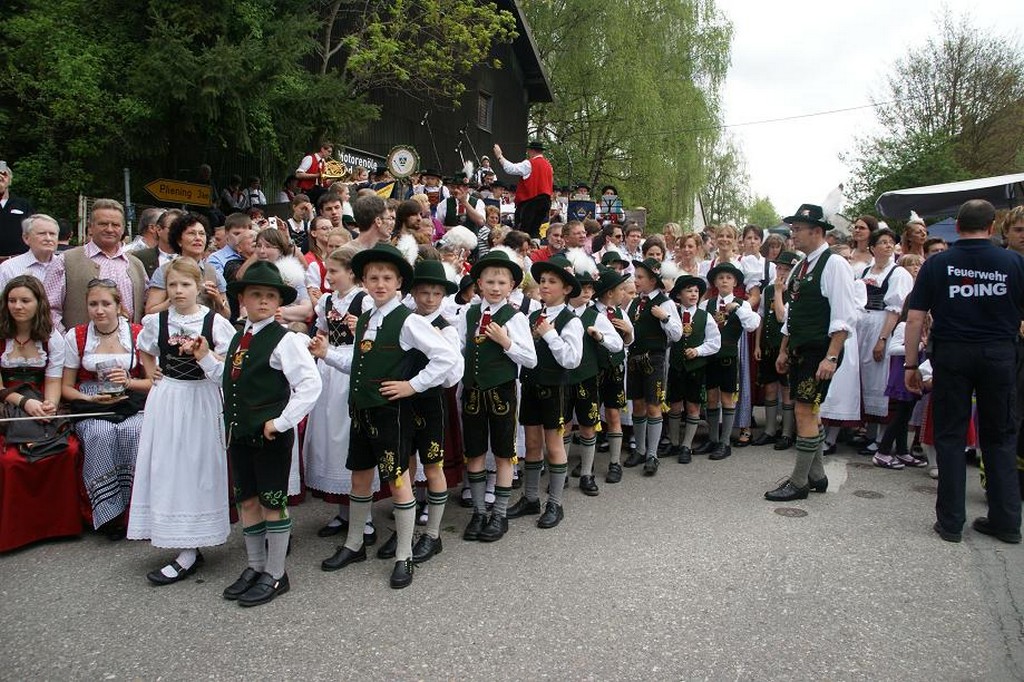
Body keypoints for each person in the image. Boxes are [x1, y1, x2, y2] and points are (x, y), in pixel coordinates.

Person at [319, 244, 459, 589]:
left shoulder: (408, 320)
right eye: (373, 277)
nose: (379, 284)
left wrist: (413, 385)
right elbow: (360, 362)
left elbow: (447, 359)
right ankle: (354, 544)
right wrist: (327, 354)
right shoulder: (367, 316)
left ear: (399, 283)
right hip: (363, 411)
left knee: (399, 483)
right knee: (359, 480)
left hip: (392, 415)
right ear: (363, 280)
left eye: (387, 278)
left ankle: (404, 555)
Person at [905, 199, 1024, 544]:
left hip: (953, 356)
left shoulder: (938, 263)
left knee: (951, 437)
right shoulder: (1014, 263)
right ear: (991, 228)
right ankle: (1006, 522)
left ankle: (952, 522)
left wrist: (911, 365)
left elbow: (915, 317)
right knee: (1000, 438)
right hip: (999, 356)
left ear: (957, 228)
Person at [127, 258, 237, 584]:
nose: (178, 291)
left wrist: (208, 357)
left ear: (199, 286)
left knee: (198, 466)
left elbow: (230, 361)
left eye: (185, 285)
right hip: (168, 397)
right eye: (172, 284)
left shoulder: (214, 322)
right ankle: (180, 541)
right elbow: (144, 348)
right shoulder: (157, 321)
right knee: (169, 465)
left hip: (201, 398)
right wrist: (150, 370)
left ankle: (193, 543)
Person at [765, 204, 857, 502]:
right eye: (792, 229)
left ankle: (799, 481)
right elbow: (792, 313)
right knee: (810, 411)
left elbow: (844, 315)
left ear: (817, 231)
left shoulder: (834, 264)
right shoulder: (802, 265)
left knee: (804, 410)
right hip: (799, 350)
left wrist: (831, 357)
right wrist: (783, 349)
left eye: (797, 229)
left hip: (819, 351)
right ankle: (817, 475)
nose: (793, 234)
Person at [455, 250, 536, 542]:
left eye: (502, 282)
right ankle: (478, 512)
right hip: (473, 391)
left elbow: (530, 360)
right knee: (474, 452)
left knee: (503, 453)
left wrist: (506, 342)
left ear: (512, 285)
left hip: (503, 391)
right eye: (489, 281)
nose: (495, 287)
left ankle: (499, 514)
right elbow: (457, 350)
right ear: (479, 283)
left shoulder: (515, 318)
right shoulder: (468, 314)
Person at [62, 279, 152, 538]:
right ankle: (108, 514)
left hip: (131, 398)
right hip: (90, 398)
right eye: (93, 304)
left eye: (105, 304)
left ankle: (134, 512)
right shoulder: (76, 336)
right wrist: (90, 400)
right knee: (99, 434)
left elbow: (154, 382)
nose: (99, 310)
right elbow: (67, 387)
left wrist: (128, 381)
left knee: (135, 432)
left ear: (118, 306)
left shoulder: (136, 334)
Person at [0, 276, 81, 552]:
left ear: (38, 303)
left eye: (25, 300)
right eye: (12, 300)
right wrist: (24, 403)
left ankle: (57, 526)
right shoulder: (1, 335)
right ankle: (14, 531)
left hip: (40, 398)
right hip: (6, 402)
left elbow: (53, 380)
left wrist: (49, 406)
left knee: (66, 450)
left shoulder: (51, 337)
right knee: (11, 459)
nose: (18, 306)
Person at [303, 244, 376, 543]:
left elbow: (374, 337)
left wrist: (361, 328)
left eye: (333, 271)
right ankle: (343, 512)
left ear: (351, 272)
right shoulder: (326, 302)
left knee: (349, 438)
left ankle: (365, 517)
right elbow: (321, 331)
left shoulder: (365, 300)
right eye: (327, 270)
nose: (328, 276)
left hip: (351, 369)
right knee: (329, 437)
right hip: (328, 370)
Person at [507, 254, 583, 524]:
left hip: (554, 387)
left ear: (566, 289)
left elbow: (572, 360)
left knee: (554, 445)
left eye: (552, 281)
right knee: (532, 442)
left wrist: (550, 334)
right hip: (531, 384)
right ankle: (530, 498)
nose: (545, 285)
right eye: (542, 281)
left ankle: (555, 503)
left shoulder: (571, 320)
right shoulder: (532, 315)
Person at [854, 228, 914, 457]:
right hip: (863, 325)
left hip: (882, 325)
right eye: (883, 242)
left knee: (880, 379)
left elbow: (895, 309)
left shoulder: (898, 274)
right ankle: (868, 432)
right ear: (872, 247)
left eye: (891, 242)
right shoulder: (864, 271)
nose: (888, 246)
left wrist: (882, 339)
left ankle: (880, 436)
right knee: (865, 377)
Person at [565, 261, 622, 496]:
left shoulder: (595, 315)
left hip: (588, 377)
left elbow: (617, 344)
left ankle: (587, 474)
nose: (588, 292)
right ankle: (561, 474)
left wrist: (600, 338)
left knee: (588, 426)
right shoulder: (559, 312)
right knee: (563, 427)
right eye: (583, 287)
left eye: (590, 288)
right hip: (562, 379)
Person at [51, 199, 148, 333]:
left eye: (115, 225)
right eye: (103, 224)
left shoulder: (136, 264)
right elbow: (50, 309)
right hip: (81, 350)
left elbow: (146, 308)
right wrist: (67, 342)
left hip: (128, 348)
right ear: (90, 227)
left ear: (123, 229)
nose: (109, 229)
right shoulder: (67, 260)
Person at [695, 263, 760, 460]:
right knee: (711, 397)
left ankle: (724, 442)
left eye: (728, 278)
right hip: (710, 356)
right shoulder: (706, 304)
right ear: (714, 282)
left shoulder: (743, 303)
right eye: (720, 277)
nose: (724, 281)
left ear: (735, 282)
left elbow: (752, 325)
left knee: (728, 398)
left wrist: (738, 309)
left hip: (729, 356)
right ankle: (713, 438)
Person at [623, 258, 682, 473]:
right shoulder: (635, 302)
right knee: (637, 404)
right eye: (635, 276)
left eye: (640, 277)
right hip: (635, 358)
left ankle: (652, 454)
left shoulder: (664, 303)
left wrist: (665, 317)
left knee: (653, 405)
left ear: (652, 280)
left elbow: (677, 334)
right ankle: (639, 449)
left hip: (654, 360)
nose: (635, 281)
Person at [666, 275, 721, 463]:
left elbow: (715, 342)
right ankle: (674, 442)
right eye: (688, 290)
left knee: (692, 406)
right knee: (674, 405)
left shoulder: (705, 317)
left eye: (696, 291)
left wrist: (698, 351)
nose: (693, 294)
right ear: (679, 296)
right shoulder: (672, 315)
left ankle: (686, 446)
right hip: (676, 366)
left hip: (695, 368)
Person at [753, 251, 800, 448]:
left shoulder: (795, 290)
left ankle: (787, 432)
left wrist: (780, 292)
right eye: (779, 268)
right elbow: (762, 317)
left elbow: (782, 317)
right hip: (768, 345)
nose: (781, 272)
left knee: (787, 389)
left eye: (786, 269)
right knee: (770, 387)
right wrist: (757, 344)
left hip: (786, 346)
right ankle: (770, 429)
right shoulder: (768, 290)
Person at [144, 213, 229, 318]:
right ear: (179, 240)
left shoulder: (213, 272)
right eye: (191, 233)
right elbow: (150, 312)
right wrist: (173, 299)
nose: (198, 238)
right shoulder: (164, 271)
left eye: (202, 234)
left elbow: (227, 316)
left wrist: (217, 299)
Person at [0, 214, 64, 330]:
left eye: (52, 234)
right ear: (26, 238)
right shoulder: (8, 268)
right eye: (42, 233)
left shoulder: (65, 266)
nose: (48, 238)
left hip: (59, 335)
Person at [493, 140, 553, 239]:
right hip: (545, 202)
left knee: (523, 232)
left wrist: (500, 156)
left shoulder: (529, 164)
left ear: (531, 151)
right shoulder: (548, 166)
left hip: (531, 201)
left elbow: (510, 168)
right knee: (535, 230)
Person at [0, 161, 35, 258]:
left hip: (18, 261)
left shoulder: (23, 204)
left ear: (9, 180)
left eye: (4, 174)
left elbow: (34, 230)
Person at [207, 213, 253, 278]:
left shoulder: (259, 254)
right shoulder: (216, 259)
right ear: (226, 234)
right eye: (236, 234)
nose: (241, 238)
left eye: (245, 234)